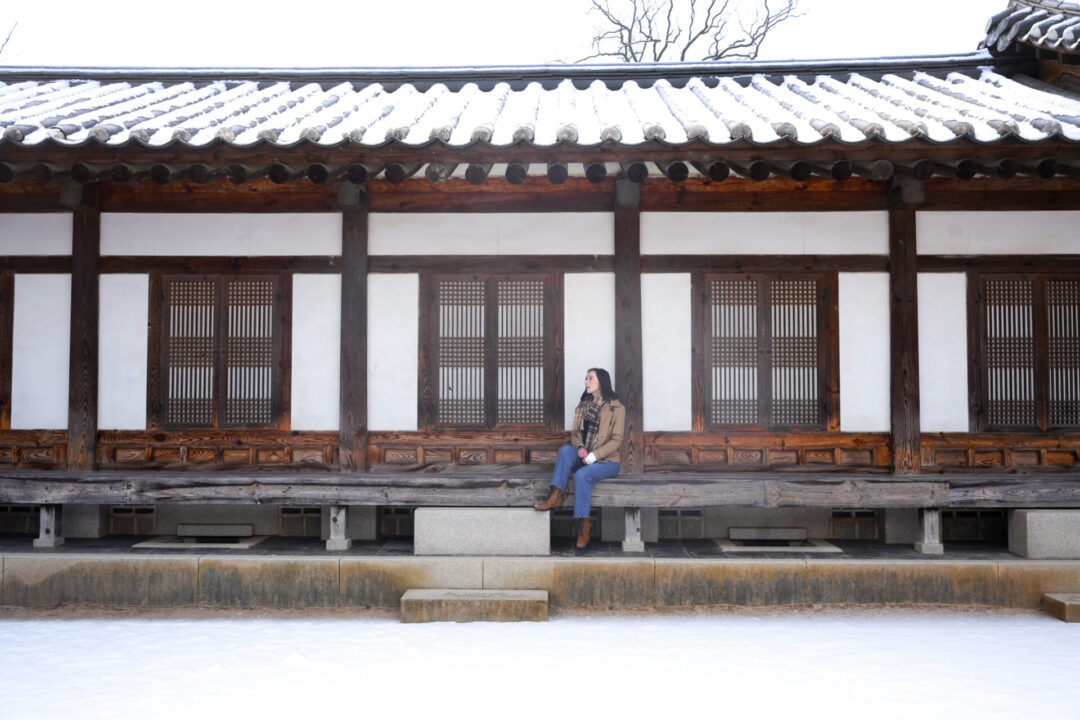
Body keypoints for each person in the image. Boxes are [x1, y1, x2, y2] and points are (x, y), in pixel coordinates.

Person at [534, 367, 625, 549]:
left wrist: (594, 455)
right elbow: (576, 434)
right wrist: (581, 447)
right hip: (586, 455)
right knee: (566, 451)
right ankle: (556, 495)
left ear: (602, 382)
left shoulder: (616, 407)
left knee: (581, 476)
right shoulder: (583, 405)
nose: (586, 382)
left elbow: (617, 440)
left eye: (591, 378)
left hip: (607, 461)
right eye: (586, 378)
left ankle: (583, 525)